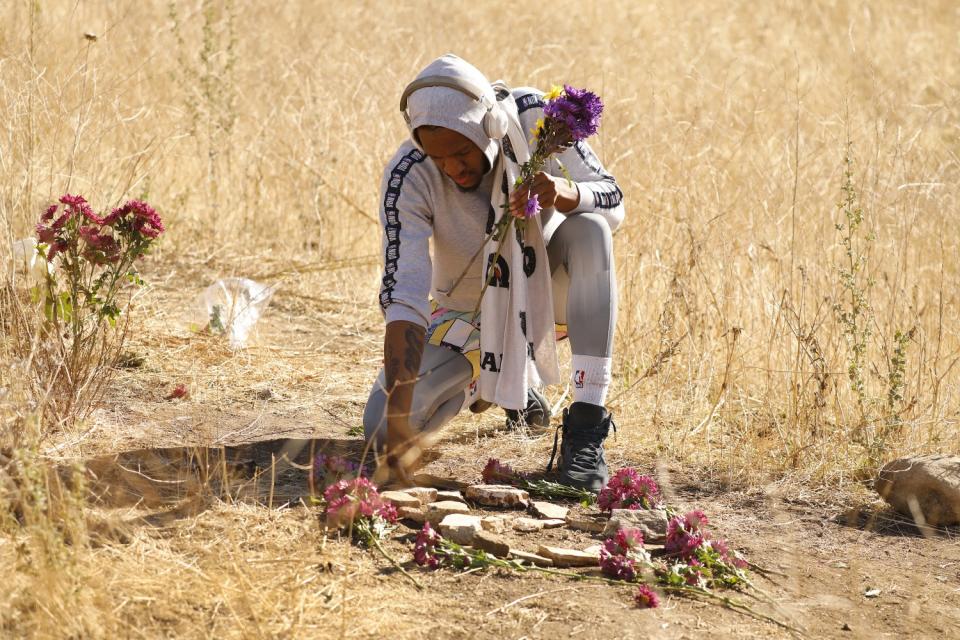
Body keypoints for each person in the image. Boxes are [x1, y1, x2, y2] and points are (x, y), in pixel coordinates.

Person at [362, 54, 624, 492]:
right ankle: (499, 382)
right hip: (465, 315)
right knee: (381, 430)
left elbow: (614, 200)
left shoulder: (538, 121)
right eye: (439, 157)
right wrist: (396, 426)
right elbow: (404, 296)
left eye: (462, 152)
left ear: (487, 128)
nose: (453, 168)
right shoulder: (408, 174)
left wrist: (567, 191)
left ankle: (585, 427)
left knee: (590, 229)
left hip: (542, 299)